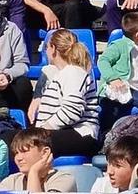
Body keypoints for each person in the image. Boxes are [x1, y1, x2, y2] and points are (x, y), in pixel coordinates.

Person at [30, 29, 102, 159]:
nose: (45, 52)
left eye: (46, 47)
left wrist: (43, 129)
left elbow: (72, 110)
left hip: (80, 134)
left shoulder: (73, 72)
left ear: (53, 49)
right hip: (65, 131)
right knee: (20, 140)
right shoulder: (63, 73)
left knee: (21, 142)